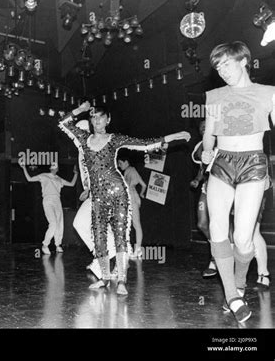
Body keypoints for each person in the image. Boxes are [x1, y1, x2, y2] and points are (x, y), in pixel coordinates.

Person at [59, 102, 190, 295]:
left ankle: (122, 280)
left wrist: (173, 137)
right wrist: (80, 110)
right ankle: (104, 278)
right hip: (98, 195)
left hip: (117, 191)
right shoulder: (83, 138)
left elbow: (145, 144)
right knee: (99, 236)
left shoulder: (114, 139)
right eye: (94, 117)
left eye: (101, 117)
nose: (97, 121)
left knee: (120, 234)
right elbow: (63, 123)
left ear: (108, 120)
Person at [202, 41, 275, 323]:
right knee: (218, 230)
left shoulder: (268, 94)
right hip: (222, 162)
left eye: (226, 64)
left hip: (253, 163)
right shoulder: (216, 97)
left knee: (244, 240)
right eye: (217, 67)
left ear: (244, 61)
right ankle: (232, 295)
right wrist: (207, 148)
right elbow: (209, 134)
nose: (221, 70)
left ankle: (240, 283)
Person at [72, 119, 117, 280]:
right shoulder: (82, 149)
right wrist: (87, 189)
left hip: (102, 192)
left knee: (84, 224)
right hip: (96, 193)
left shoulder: (92, 146)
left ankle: (109, 256)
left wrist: (91, 189)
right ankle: (105, 259)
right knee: (87, 225)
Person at [20, 161, 78, 255]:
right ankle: (45, 245)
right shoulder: (44, 176)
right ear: (51, 168)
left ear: (57, 169)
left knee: (59, 223)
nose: (54, 168)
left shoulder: (59, 179)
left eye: (55, 167)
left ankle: (58, 244)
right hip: (48, 200)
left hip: (57, 201)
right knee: (53, 223)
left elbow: (72, 184)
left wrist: (76, 174)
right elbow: (29, 179)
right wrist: (23, 168)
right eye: (52, 167)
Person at [190, 121, 218, 277]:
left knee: (220, 224)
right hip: (207, 186)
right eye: (201, 127)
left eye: (206, 126)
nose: (204, 129)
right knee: (202, 223)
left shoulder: (222, 141)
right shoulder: (200, 146)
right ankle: (218, 249)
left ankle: (215, 260)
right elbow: (202, 167)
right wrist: (197, 179)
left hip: (223, 187)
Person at [117, 151, 147, 259]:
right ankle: (135, 250)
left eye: (120, 163)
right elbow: (144, 185)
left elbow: (128, 184)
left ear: (126, 162)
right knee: (133, 224)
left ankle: (137, 250)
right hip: (133, 197)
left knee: (136, 224)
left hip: (131, 197)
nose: (120, 166)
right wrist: (142, 194)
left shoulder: (130, 170)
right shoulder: (132, 170)